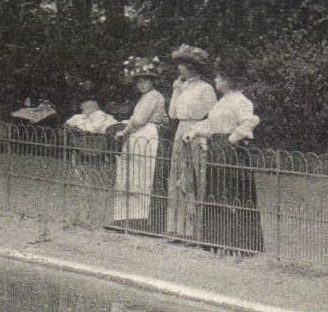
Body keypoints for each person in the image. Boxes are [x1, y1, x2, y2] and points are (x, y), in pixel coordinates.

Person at [184, 66, 263, 254]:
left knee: (233, 193)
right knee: (217, 192)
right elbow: (212, 125)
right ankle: (217, 240)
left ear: (228, 80)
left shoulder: (241, 101)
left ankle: (239, 244)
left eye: (219, 77)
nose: (216, 81)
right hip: (217, 149)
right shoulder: (222, 102)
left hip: (231, 151)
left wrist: (231, 140)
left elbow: (249, 122)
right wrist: (194, 131)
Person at [164, 45, 218, 241]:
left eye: (183, 65)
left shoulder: (206, 89)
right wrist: (176, 92)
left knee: (192, 180)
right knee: (177, 179)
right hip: (181, 130)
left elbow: (213, 117)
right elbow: (172, 114)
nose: (179, 68)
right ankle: (176, 228)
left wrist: (200, 133)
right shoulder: (182, 87)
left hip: (195, 132)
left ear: (192, 67)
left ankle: (193, 231)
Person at [110, 57, 169, 229]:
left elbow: (139, 120)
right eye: (139, 81)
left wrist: (124, 131)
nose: (142, 84)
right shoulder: (145, 97)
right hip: (138, 134)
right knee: (132, 174)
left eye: (146, 81)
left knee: (142, 175)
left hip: (145, 134)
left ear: (152, 82)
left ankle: (139, 218)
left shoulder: (153, 96)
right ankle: (128, 216)